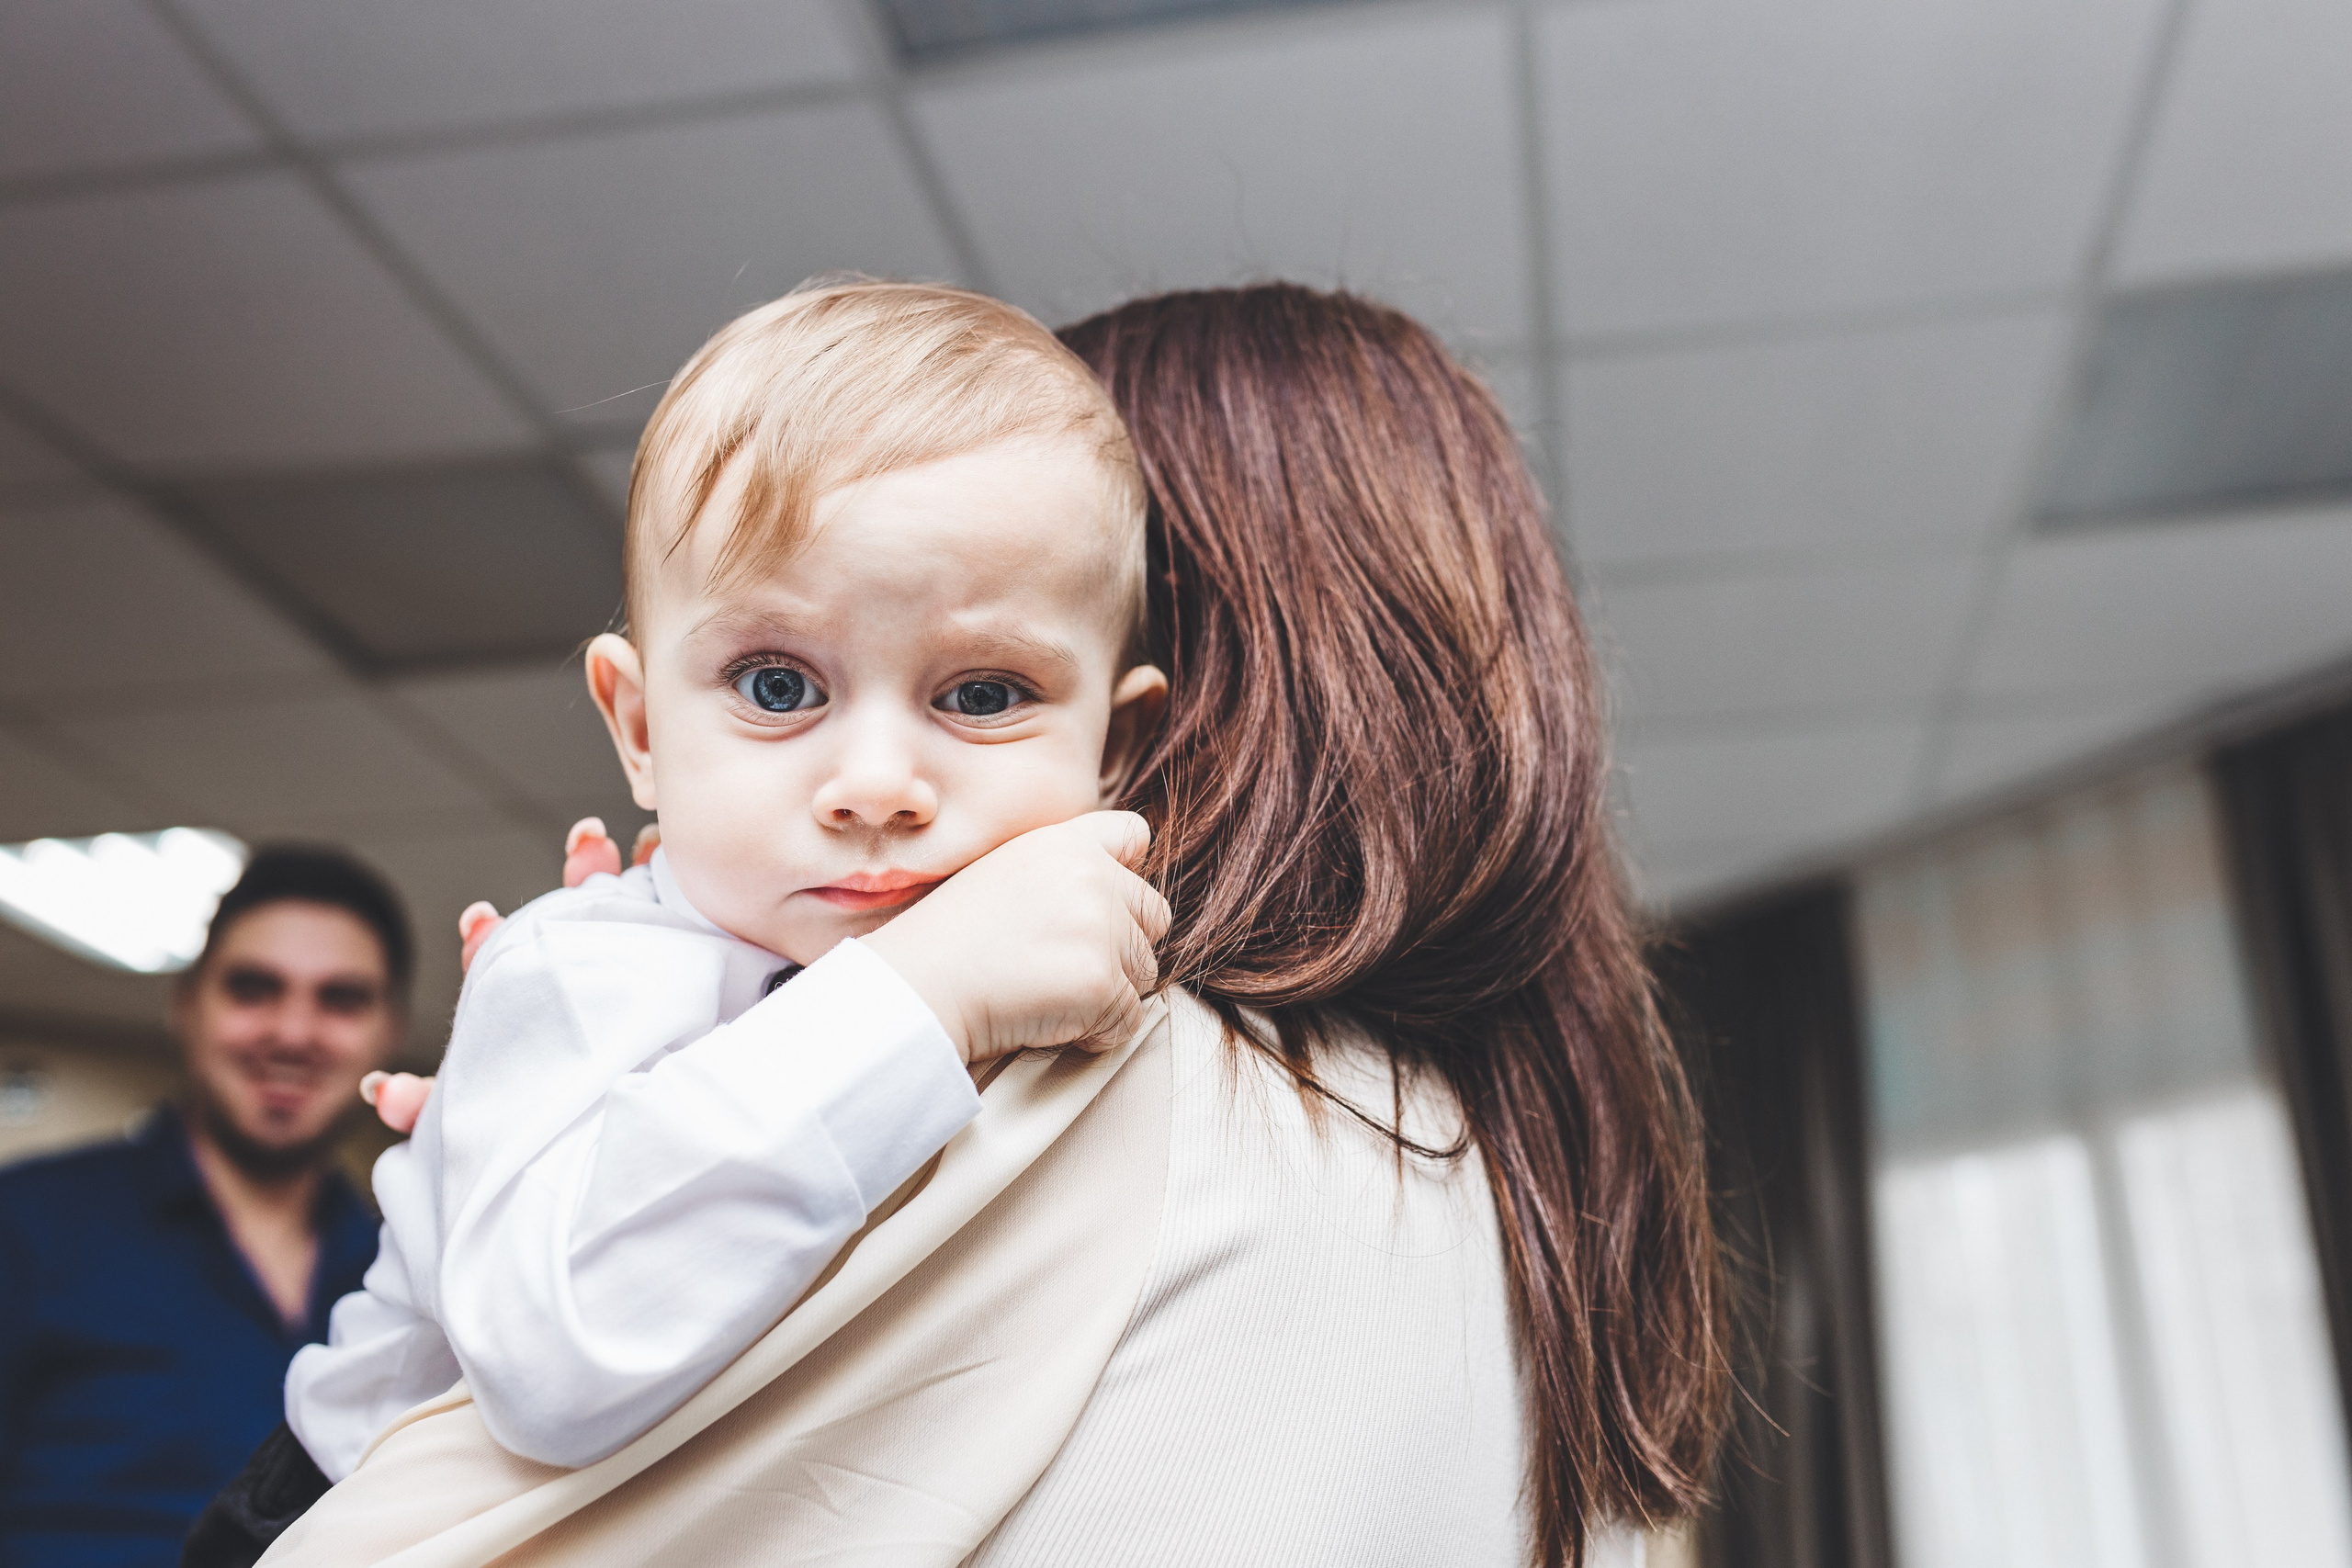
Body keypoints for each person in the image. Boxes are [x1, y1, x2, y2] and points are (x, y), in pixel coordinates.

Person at [249, 283, 1726, 1568]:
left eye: (983, 691)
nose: (879, 784)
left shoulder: (1124, 1075)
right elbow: (554, 1338)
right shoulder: (1534, 1168)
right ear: (634, 724)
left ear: (1148, 710)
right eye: (778, 684)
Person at [0, 847, 407, 1567]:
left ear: (389, 1032)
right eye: (254, 988)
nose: (292, 1031)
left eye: (340, 998)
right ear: (185, 1005)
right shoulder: (24, 1223)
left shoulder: (413, 1275)